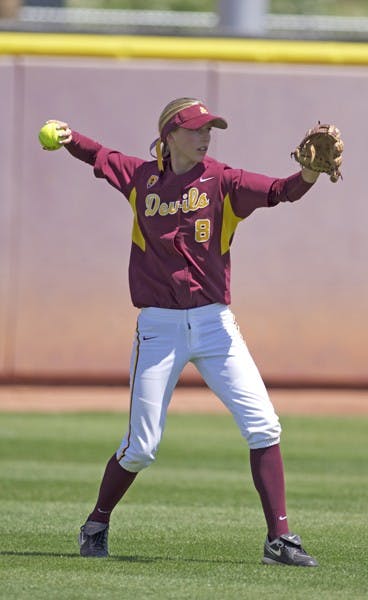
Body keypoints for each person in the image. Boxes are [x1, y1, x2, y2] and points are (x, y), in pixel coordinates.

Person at [44, 97, 321, 567]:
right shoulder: (140, 177)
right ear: (170, 136)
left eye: (209, 128)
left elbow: (280, 190)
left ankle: (280, 540)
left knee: (264, 425)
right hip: (159, 327)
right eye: (194, 129)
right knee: (141, 448)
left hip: (215, 324)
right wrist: (69, 140)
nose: (205, 135)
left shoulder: (224, 180)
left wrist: (310, 176)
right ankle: (97, 521)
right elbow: (100, 155)